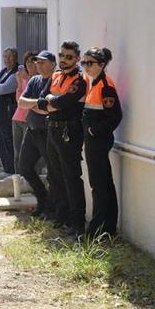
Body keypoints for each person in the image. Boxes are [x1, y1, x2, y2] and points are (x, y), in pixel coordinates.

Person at [39, 40, 88, 237]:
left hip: (69, 131)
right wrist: (51, 101)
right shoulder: (56, 75)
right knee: (54, 175)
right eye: (62, 56)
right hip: (52, 128)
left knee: (71, 177)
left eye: (69, 57)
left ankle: (77, 223)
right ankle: (62, 216)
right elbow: (42, 100)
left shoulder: (80, 80)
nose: (64, 60)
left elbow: (63, 102)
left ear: (77, 59)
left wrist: (51, 101)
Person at [81, 47, 123, 239]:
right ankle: (107, 228)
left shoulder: (105, 85)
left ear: (102, 64)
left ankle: (95, 232)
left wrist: (93, 131)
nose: (86, 66)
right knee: (104, 184)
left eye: (90, 63)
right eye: (84, 63)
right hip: (94, 142)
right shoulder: (94, 83)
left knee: (99, 185)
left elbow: (115, 116)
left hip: (98, 142)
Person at [17, 51, 57, 218]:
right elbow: (21, 102)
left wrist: (34, 105)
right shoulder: (34, 80)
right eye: (37, 62)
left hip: (47, 132)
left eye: (42, 62)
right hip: (32, 130)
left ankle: (52, 208)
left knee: (53, 172)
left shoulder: (56, 81)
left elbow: (48, 108)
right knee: (24, 167)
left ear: (53, 64)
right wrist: (37, 103)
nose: (38, 65)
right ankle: (43, 199)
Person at [0, 48, 20, 175]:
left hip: (7, 114)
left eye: (9, 57)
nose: (6, 59)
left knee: (8, 143)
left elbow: (0, 89)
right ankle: (6, 169)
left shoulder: (16, 73)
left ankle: (12, 171)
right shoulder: (3, 72)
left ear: (15, 58)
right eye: (4, 57)